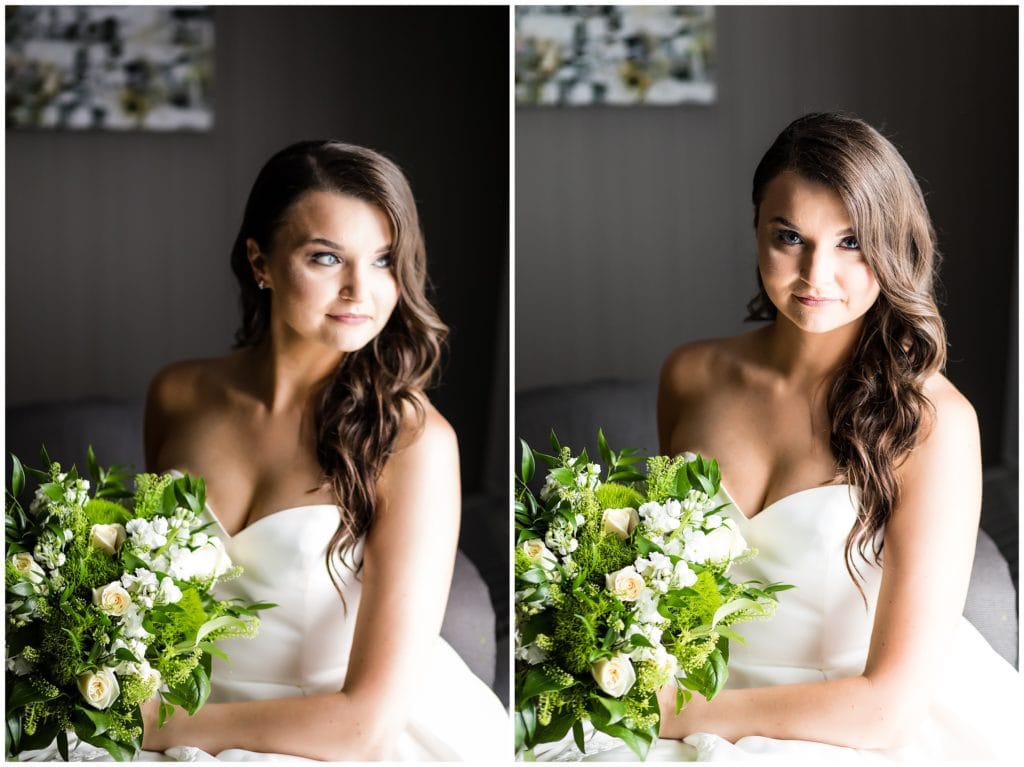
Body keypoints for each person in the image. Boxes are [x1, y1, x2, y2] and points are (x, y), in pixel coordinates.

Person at [542, 113, 1019, 761]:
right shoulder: (692, 374)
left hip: (843, 721)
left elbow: (888, 711)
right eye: (790, 237)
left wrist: (674, 713)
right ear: (757, 230)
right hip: (679, 696)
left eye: (852, 242)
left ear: (893, 245)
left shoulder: (933, 421)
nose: (816, 274)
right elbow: (662, 590)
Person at [135, 140, 507, 760]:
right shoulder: (178, 395)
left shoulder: (414, 443)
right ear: (261, 261)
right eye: (327, 258)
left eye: (384, 260)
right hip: (178, 710)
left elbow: (365, 728)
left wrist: (159, 727)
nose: (360, 290)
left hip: (336, 736)